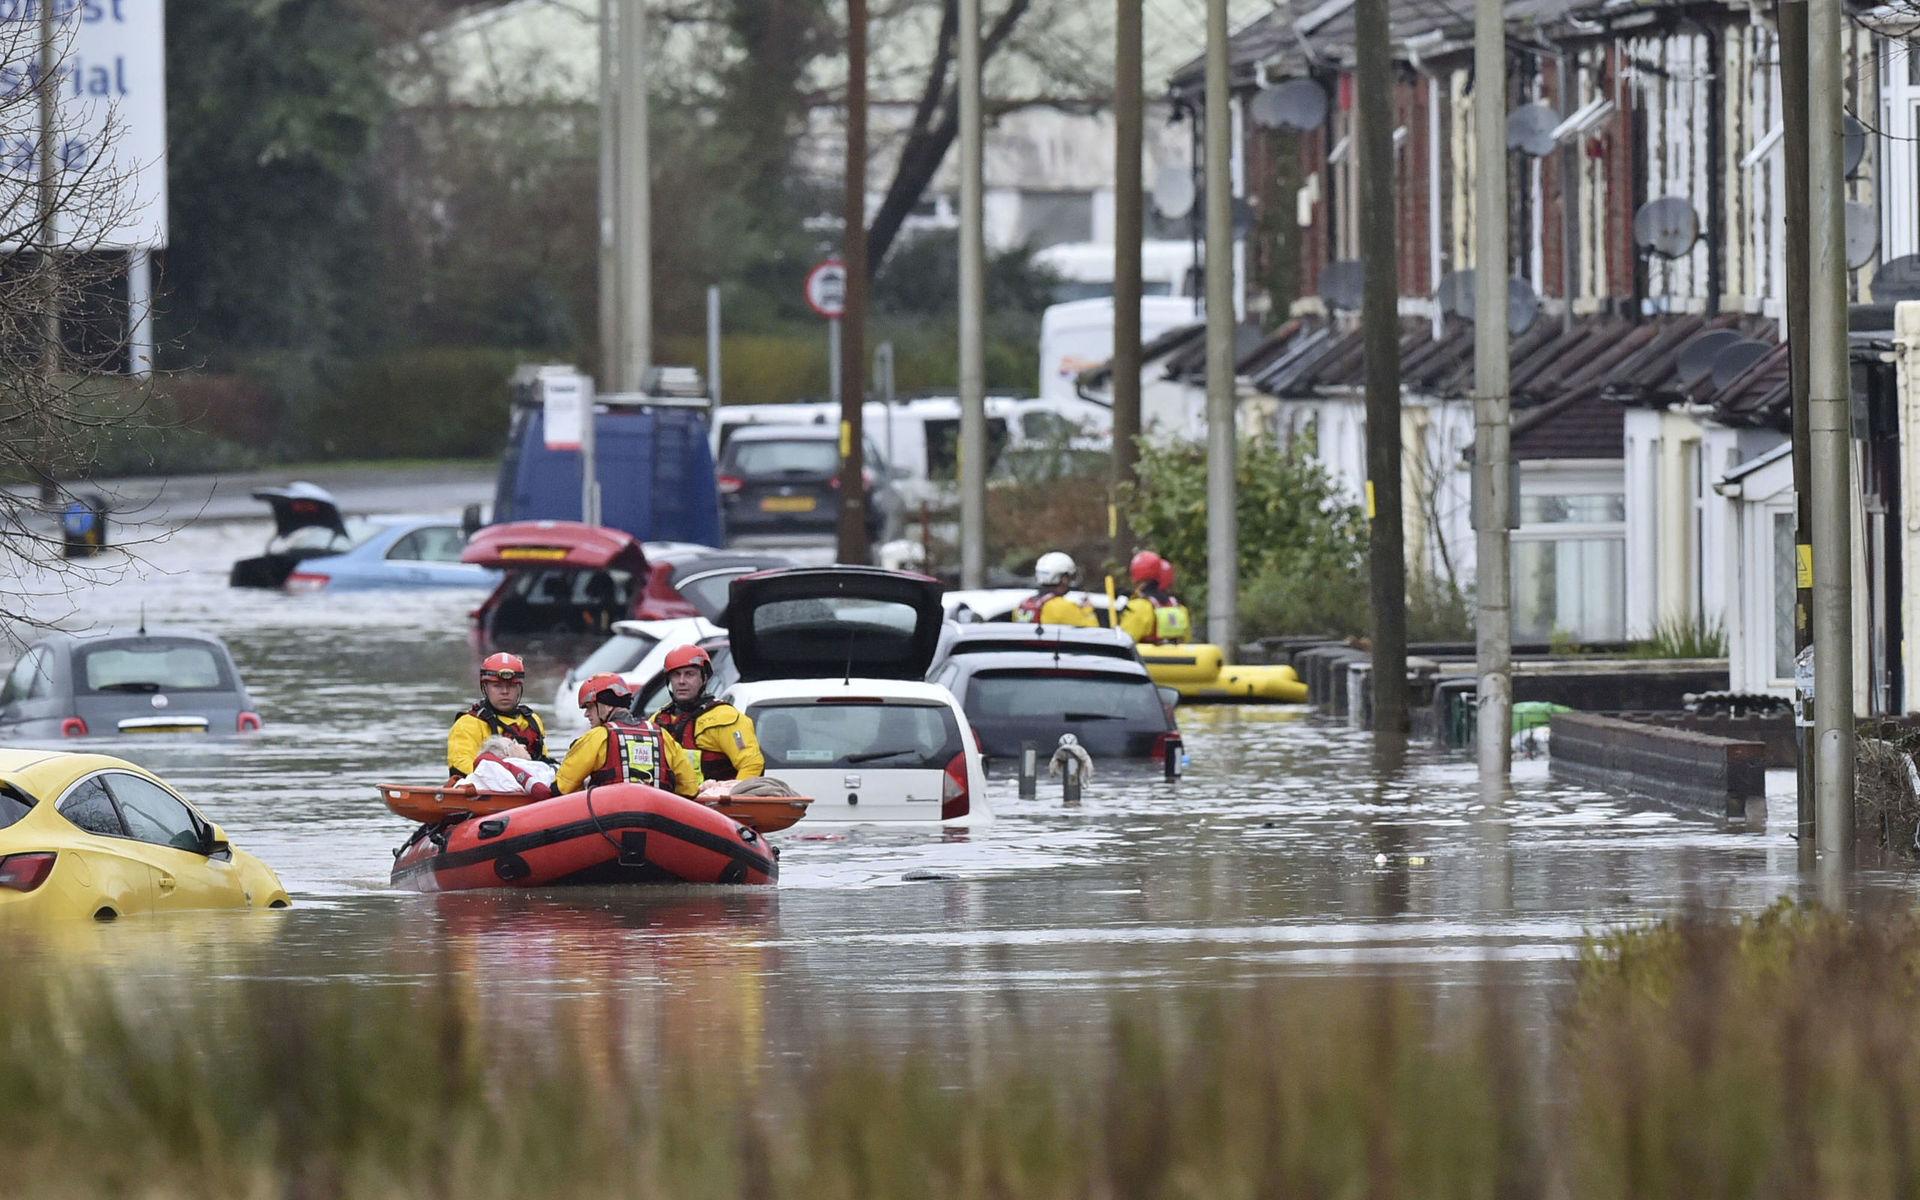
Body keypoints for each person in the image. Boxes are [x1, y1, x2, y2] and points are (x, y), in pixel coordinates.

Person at [554, 673, 701, 798]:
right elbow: (689, 788)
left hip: (607, 820)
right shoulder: (662, 735)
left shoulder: (597, 737)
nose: (586, 714)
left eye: (590, 707)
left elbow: (562, 788)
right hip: (657, 818)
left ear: (606, 706)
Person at [650, 644, 764, 783]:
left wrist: (728, 797)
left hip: (712, 802)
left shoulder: (725, 717)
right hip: (668, 802)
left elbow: (752, 764)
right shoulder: (658, 720)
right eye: (676, 675)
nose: (681, 681)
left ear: (704, 678)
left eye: (689, 674)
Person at [448, 652, 548, 780]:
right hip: (489, 790)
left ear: (519, 687)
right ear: (485, 687)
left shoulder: (532, 720)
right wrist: (509, 777)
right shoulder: (468, 724)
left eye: (511, 686)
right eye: (497, 686)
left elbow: (543, 760)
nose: (505, 692)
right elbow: (461, 765)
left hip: (531, 788)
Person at [1117, 550, 1193, 644]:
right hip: (1174, 658)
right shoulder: (1180, 609)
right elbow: (1186, 641)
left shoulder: (1138, 607)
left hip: (1145, 658)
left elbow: (1123, 643)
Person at [1013, 551, 1098, 627]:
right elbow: (1092, 631)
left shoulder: (1022, 605)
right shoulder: (1063, 607)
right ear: (1063, 579)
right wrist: (1088, 610)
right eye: (1068, 577)